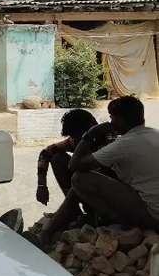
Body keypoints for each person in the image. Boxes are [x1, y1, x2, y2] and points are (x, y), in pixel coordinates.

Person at [69, 95, 159, 230]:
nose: (110, 122)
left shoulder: (124, 144)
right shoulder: (154, 134)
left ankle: (114, 220)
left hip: (153, 216)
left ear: (121, 119)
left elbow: (73, 165)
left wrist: (90, 134)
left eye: (112, 117)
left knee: (79, 179)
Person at [36, 108, 98, 206]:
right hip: (84, 187)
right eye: (72, 136)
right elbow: (45, 153)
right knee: (57, 158)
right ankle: (73, 210)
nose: (75, 140)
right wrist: (41, 185)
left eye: (77, 136)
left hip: (105, 193)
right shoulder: (75, 141)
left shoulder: (107, 142)